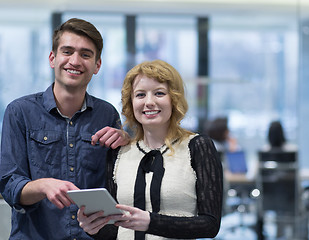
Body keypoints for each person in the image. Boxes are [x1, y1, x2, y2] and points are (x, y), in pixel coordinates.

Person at [0, 18, 130, 240]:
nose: (75, 61)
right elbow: (9, 186)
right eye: (67, 51)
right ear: (53, 58)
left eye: (86, 54)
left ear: (97, 65)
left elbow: (120, 184)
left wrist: (127, 141)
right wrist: (42, 186)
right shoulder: (19, 111)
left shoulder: (107, 114)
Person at [77, 60, 223, 239]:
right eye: (140, 95)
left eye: (159, 93)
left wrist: (150, 222)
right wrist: (93, 227)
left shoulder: (198, 147)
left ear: (174, 99)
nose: (149, 102)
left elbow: (210, 224)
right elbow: (115, 229)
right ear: (131, 103)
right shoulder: (119, 152)